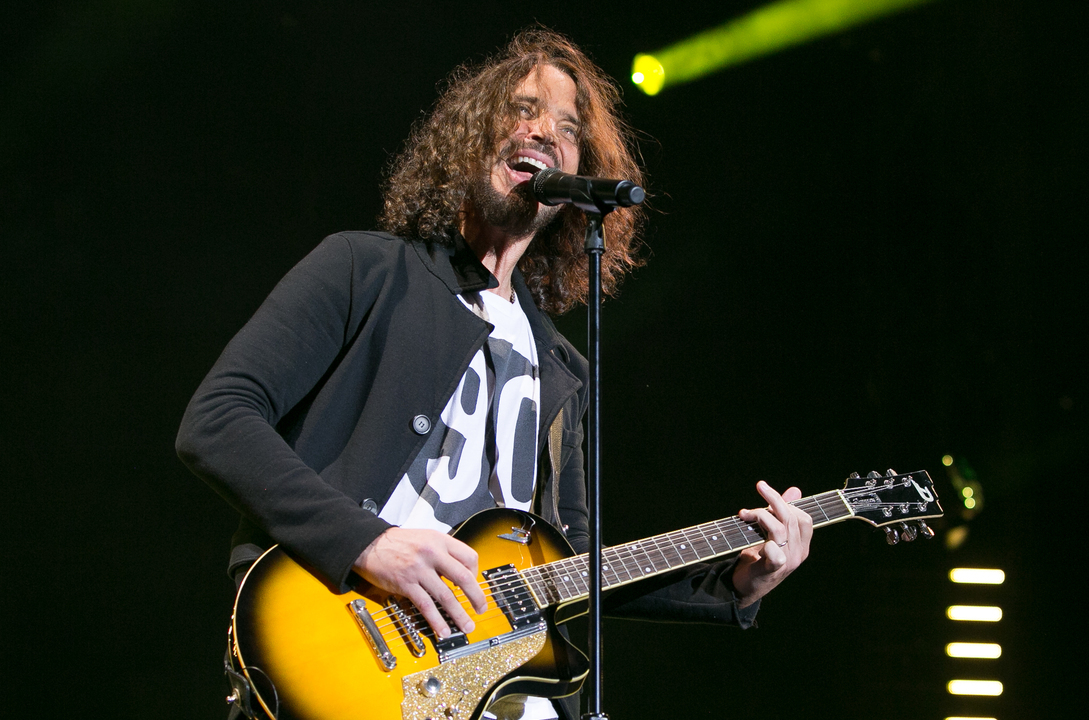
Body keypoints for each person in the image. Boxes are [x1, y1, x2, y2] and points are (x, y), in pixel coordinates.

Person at [176, 28, 812, 720]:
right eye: (523, 108)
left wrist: (736, 584)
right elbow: (217, 419)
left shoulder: (562, 367)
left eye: (568, 129)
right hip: (357, 665)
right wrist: (368, 543)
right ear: (471, 136)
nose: (543, 132)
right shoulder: (365, 270)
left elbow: (572, 562)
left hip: (498, 694)